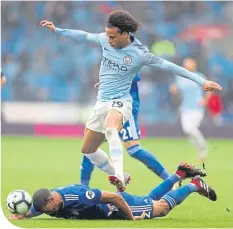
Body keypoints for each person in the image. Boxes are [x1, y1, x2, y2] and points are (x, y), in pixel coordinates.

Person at [39, 10, 222, 192]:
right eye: (107, 36)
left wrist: (202, 81)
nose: (108, 40)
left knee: (117, 134)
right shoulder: (105, 40)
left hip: (123, 102)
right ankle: (110, 177)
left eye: (112, 37)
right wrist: (58, 30)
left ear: (125, 34)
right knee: (87, 150)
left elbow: (170, 67)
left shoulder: (140, 54)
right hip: (102, 101)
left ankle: (120, 176)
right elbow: (85, 36)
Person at [9, 162, 216, 221]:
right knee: (149, 199)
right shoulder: (50, 201)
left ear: (52, 199)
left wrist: (130, 217)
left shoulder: (78, 196)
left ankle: (193, 186)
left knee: (160, 208)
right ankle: (180, 173)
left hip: (117, 205)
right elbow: (39, 208)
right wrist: (24, 214)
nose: (49, 212)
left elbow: (115, 197)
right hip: (114, 207)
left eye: (48, 209)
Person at [81, 72, 170, 187]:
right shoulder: (111, 58)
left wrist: (111, 81)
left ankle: (170, 180)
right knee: (90, 146)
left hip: (125, 108)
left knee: (134, 149)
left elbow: (133, 75)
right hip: (108, 105)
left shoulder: (131, 57)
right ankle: (83, 188)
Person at [170, 58, 212, 162]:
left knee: (190, 129)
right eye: (185, 64)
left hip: (197, 108)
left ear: (194, 65)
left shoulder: (200, 76)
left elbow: (209, 89)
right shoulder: (180, 78)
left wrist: (205, 100)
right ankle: (201, 148)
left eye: (188, 63)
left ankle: (202, 146)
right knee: (187, 131)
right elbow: (175, 90)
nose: (186, 65)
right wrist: (173, 90)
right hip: (185, 108)